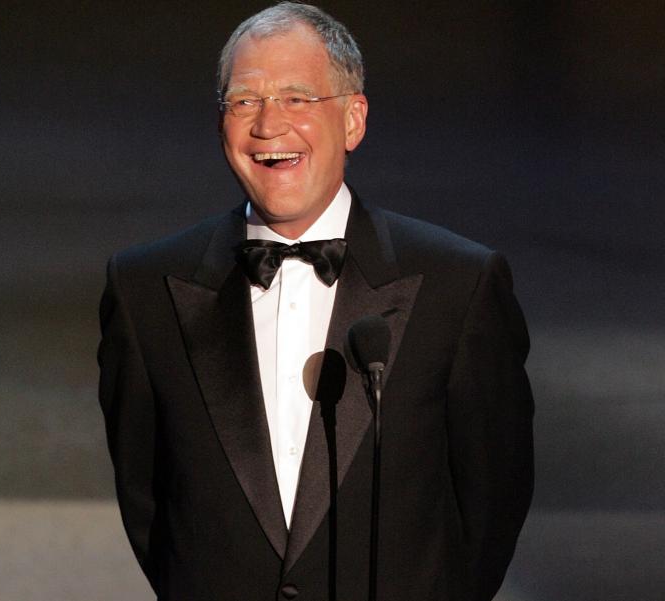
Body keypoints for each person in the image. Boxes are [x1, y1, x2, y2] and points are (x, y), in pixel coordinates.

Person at [98, 3, 534, 600]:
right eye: (245, 101)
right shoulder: (143, 288)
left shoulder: (460, 285)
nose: (269, 125)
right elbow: (148, 503)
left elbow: (492, 502)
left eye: (298, 98)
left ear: (353, 120)